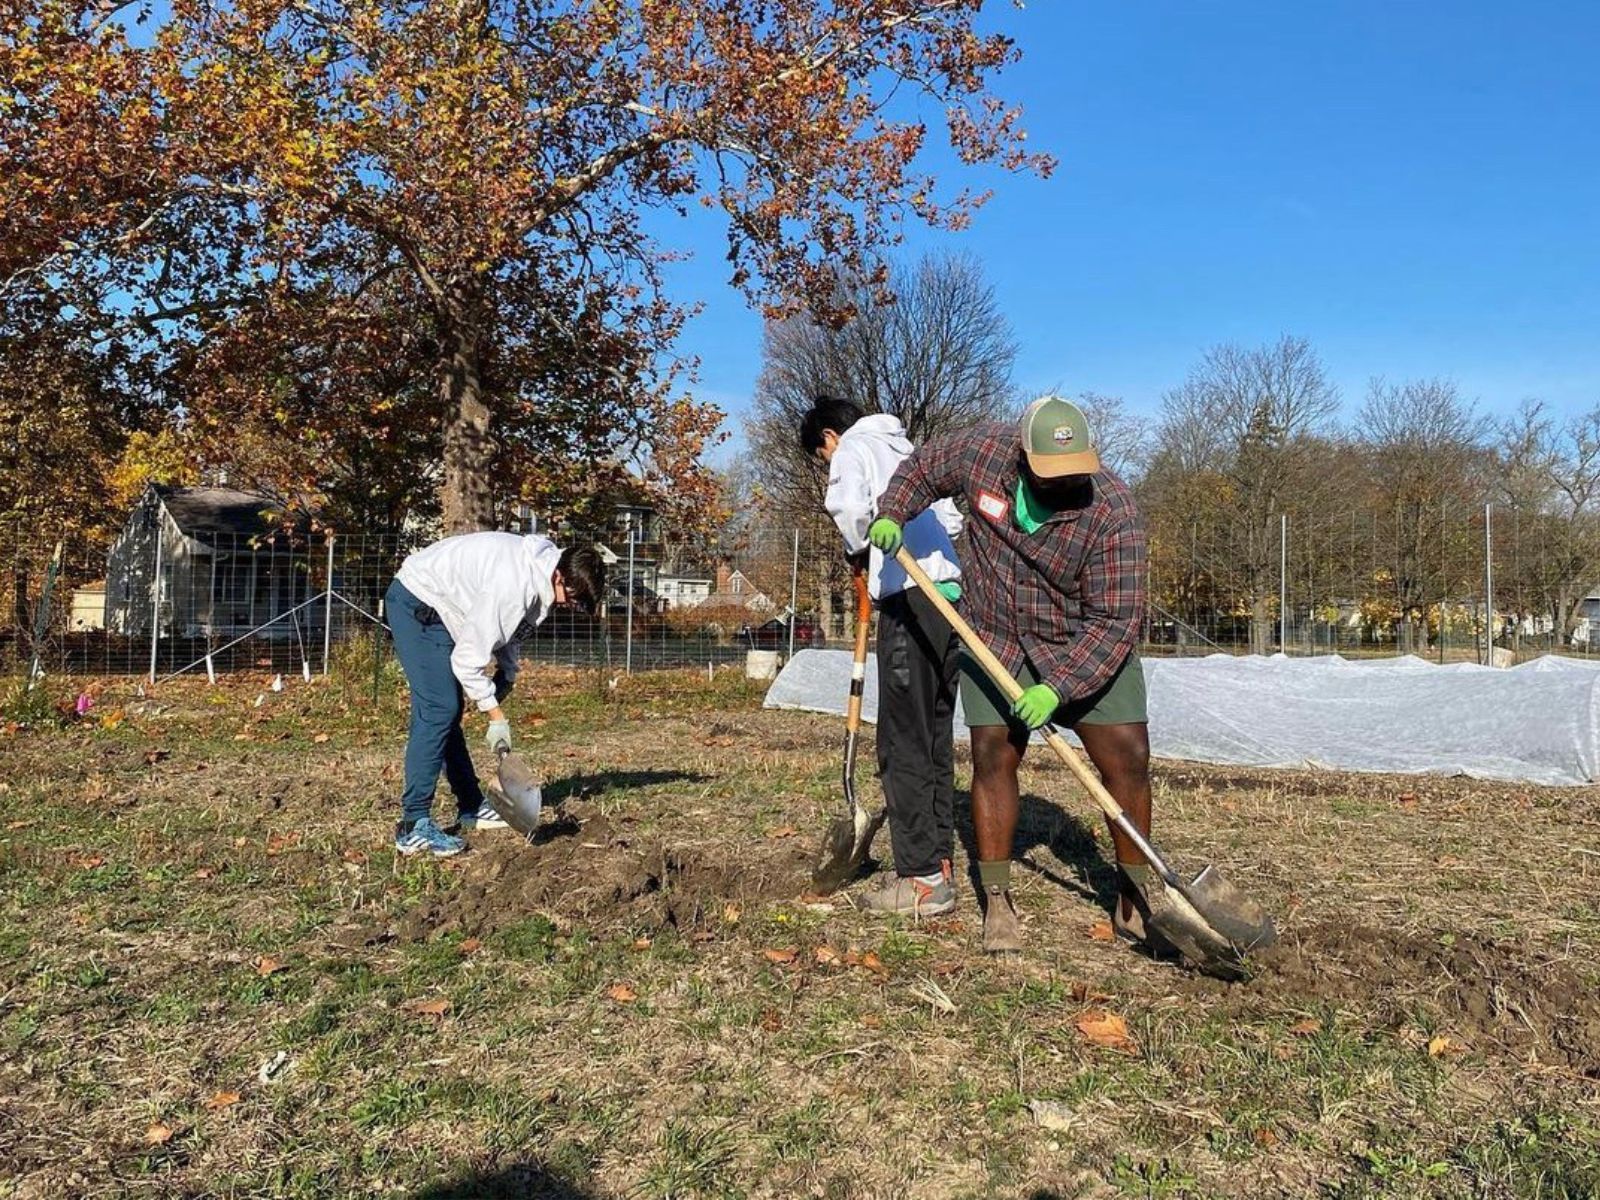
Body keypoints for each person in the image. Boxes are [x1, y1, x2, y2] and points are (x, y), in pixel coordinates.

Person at [868, 396, 1157, 954]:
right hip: (995, 631)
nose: (1064, 484)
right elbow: (922, 469)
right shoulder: (981, 454)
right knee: (993, 754)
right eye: (1050, 474)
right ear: (1022, 456)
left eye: (1075, 474)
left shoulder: (1114, 513)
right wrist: (892, 511)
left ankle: (1133, 897)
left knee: (1129, 756)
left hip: (1081, 637)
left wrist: (1058, 686)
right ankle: (997, 901)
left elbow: (1117, 621)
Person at [800, 396, 965, 916]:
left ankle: (919, 880)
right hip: (951, 600)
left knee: (901, 742)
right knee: (935, 735)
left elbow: (849, 509)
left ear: (829, 437)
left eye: (822, 456)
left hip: (910, 598)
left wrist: (858, 553)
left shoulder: (854, 448)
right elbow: (954, 524)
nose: (829, 462)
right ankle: (939, 863)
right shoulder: (908, 448)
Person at [384, 531, 605, 857]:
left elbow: (512, 631)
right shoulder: (515, 585)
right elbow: (468, 662)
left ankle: (471, 806)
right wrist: (495, 715)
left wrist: (508, 674)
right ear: (560, 574)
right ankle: (413, 824)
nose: (567, 605)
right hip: (418, 603)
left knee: (445, 710)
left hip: (441, 611)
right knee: (439, 709)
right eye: (569, 598)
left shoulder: (540, 573)